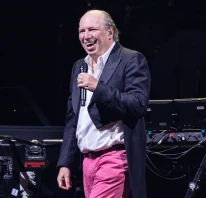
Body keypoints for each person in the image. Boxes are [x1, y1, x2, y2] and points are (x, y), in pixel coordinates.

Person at [56, 9, 151, 198]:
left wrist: (98, 87)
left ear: (110, 32)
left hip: (114, 157)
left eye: (92, 29)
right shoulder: (79, 66)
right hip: (87, 162)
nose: (86, 36)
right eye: (82, 31)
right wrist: (66, 162)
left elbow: (138, 104)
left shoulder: (130, 59)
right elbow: (74, 119)